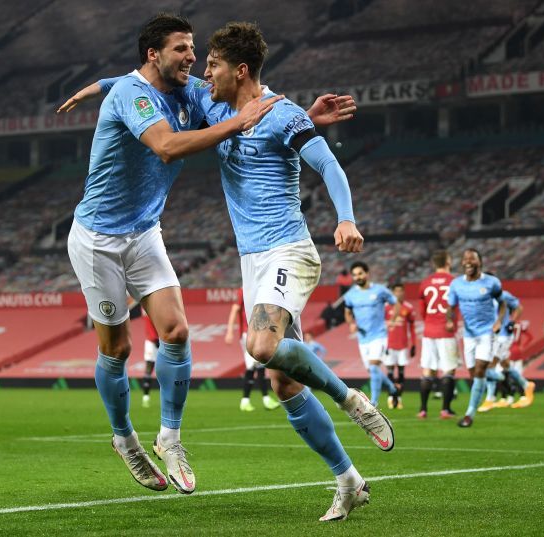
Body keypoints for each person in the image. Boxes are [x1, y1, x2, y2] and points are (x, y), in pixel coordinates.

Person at [59, 14, 358, 499]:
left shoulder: (191, 92)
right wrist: (101, 88)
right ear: (154, 54)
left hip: (144, 233)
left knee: (176, 331)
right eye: (183, 49)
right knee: (116, 349)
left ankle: (170, 439)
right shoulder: (132, 97)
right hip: (97, 239)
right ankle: (124, 437)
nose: (194, 59)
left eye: (197, 50)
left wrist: (303, 117)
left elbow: (249, 96)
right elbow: (168, 147)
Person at [201, 23, 394, 522]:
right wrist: (100, 88)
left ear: (240, 69)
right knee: (283, 384)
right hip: (252, 261)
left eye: (214, 64)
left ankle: (349, 398)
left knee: (260, 348)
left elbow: (328, 165)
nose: (206, 72)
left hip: (288, 250)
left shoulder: (283, 114)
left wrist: (346, 216)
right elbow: (150, 84)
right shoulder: (215, 107)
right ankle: (349, 480)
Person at [445, 249, 507, 428]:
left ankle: (469, 414)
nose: (468, 262)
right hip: (469, 335)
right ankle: (502, 377)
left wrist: (498, 321)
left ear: (480, 262)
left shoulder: (492, 282)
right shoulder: (456, 284)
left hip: (487, 333)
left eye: (472, 259)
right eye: (465, 259)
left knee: (479, 370)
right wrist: (449, 320)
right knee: (474, 375)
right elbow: (451, 306)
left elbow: (502, 303)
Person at [344, 261, 401, 408]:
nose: (358, 277)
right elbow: (348, 312)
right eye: (355, 275)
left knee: (374, 367)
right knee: (371, 370)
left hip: (379, 335)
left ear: (367, 274)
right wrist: (351, 323)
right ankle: (393, 389)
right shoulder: (350, 295)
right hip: (363, 338)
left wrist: (393, 320)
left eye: (360, 273)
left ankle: (373, 403)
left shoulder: (380, 290)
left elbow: (396, 303)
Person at [417, 250, 459, 419]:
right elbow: (455, 305)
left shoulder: (425, 283)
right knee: (448, 370)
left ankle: (423, 409)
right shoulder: (455, 282)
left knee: (428, 370)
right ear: (448, 262)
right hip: (446, 332)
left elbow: (422, 310)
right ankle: (445, 409)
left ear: (434, 264)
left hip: (429, 331)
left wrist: (430, 322)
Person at [225, 287, 279, 411]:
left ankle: (250, 401)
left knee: (257, 365)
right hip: (247, 334)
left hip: (257, 332)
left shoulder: (258, 289)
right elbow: (235, 309)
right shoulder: (244, 289)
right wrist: (229, 331)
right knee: (255, 365)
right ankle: (258, 400)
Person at [481, 289, 535, 411]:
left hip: (503, 335)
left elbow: (519, 307)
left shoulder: (503, 295)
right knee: (505, 365)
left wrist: (512, 321)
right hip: (490, 336)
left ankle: (489, 399)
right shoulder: (480, 296)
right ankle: (526, 384)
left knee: (490, 365)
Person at [384, 282, 416, 409]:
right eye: (396, 291)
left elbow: (412, 328)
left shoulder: (408, 307)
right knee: (390, 373)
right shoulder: (386, 307)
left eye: (401, 291)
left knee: (402, 374)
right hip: (389, 345)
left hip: (403, 346)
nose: (399, 293)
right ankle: (391, 397)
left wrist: (414, 344)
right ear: (393, 292)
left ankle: (399, 397)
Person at [141, 307, 159, 408]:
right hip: (151, 341)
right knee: (148, 369)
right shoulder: (147, 306)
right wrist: (154, 338)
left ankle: (170, 398)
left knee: (167, 368)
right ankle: (146, 398)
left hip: (161, 340)